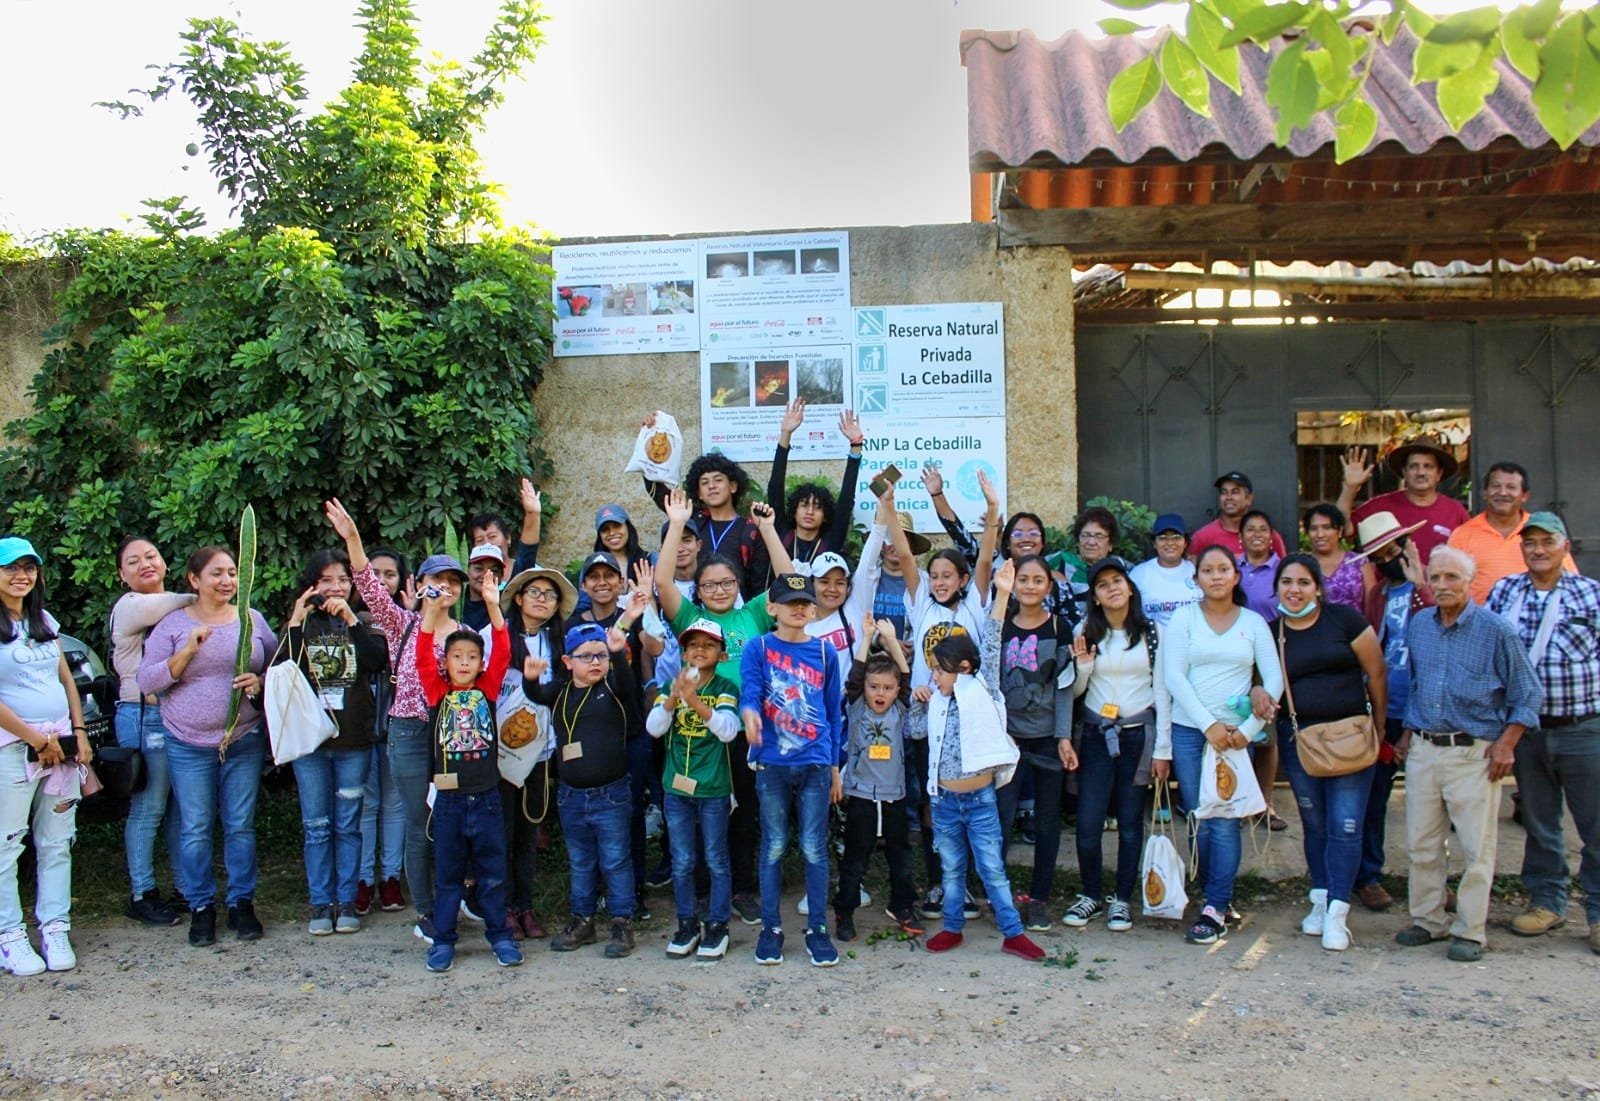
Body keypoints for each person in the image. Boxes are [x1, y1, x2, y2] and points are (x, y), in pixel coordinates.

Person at [327, 497, 472, 944]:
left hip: (451, 736)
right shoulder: (401, 623)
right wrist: (352, 539)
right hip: (408, 732)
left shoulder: (465, 637)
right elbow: (368, 585)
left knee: (453, 819)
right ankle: (426, 911)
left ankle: (455, 898)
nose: (444, 587)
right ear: (419, 583)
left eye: (452, 581)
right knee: (417, 822)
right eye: (436, 580)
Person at [1395, 546, 1542, 962]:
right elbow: (1419, 684)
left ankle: (1470, 930)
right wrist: (1407, 734)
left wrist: (1507, 744)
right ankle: (1427, 920)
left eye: (1452, 578)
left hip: (1473, 753)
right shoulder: (1420, 625)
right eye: (1436, 578)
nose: (1442, 586)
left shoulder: (1497, 631)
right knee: (1421, 843)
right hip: (1425, 747)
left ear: (1470, 582)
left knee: (1477, 849)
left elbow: (1527, 694)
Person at [656, 489, 794, 925]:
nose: (718, 590)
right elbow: (661, 584)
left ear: (738, 587)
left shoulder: (752, 614)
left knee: (747, 810)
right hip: (697, 729)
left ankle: (743, 888)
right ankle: (700, 890)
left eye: (726, 583)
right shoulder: (691, 620)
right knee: (696, 811)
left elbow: (790, 583)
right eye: (710, 584)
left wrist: (769, 530)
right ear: (698, 589)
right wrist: (677, 523)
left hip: (748, 727)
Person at [138, 545, 276, 948]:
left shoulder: (251, 619)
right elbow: (147, 682)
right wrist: (188, 651)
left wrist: (260, 682)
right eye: (216, 573)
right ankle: (201, 906)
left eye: (232, 573)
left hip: (242, 739)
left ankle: (241, 903)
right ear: (194, 580)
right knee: (196, 827)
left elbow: (276, 666)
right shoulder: (173, 625)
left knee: (239, 825)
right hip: (187, 742)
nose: (227, 581)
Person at [1486, 512, 1600, 955]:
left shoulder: (1590, 596)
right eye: (1529, 541)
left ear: (1565, 546)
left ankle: (1596, 911)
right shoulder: (1506, 592)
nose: (1537, 549)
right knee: (1539, 822)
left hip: (1582, 728)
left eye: (1547, 541)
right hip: (1525, 732)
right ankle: (1548, 900)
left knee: (1595, 823)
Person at [886, 475, 1000, 921]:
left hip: (968, 722)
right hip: (928, 719)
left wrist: (992, 512)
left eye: (947, 575)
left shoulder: (975, 605)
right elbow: (902, 548)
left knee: (971, 803)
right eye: (933, 575)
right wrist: (889, 506)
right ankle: (937, 884)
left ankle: (968, 887)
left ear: (963, 579)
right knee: (934, 804)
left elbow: (987, 555)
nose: (937, 581)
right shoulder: (921, 604)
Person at [919, 561, 1044, 961]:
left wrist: (1003, 592)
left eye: (940, 670)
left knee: (992, 869)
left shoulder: (982, 686)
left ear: (965, 668)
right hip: (944, 803)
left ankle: (1013, 932)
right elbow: (914, 734)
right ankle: (952, 927)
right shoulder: (934, 700)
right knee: (952, 870)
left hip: (981, 801)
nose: (934, 677)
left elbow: (990, 640)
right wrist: (918, 701)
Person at [1160, 544, 1283, 945]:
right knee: (1201, 815)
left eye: (1223, 569)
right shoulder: (1184, 619)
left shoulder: (1252, 623)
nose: (1215, 576)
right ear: (1196, 580)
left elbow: (1274, 679)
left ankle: (1215, 904)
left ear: (1236, 576)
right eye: (1207, 570)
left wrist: (1246, 730)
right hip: (1192, 731)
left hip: (1234, 737)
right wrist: (1207, 724)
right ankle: (1216, 897)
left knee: (1225, 818)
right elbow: (1174, 677)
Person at [1272, 554, 1387, 952]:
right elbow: (1262, 683)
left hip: (1352, 738)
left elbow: (1376, 673)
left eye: (1304, 582)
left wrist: (1381, 727)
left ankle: (1339, 911)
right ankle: (1319, 899)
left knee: (1346, 825)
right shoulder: (1274, 633)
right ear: (1277, 589)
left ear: (1318, 587)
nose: (1295, 589)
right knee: (1315, 823)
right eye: (1286, 582)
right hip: (1302, 742)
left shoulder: (1346, 620)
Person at [741, 572, 847, 967]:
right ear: (772, 609)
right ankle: (771, 928)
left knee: (814, 847)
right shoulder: (759, 648)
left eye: (804, 603)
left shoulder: (824, 653)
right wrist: (749, 713)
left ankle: (817, 929)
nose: (798, 608)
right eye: (790, 603)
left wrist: (835, 766)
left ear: (814, 609)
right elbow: (750, 691)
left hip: (817, 764)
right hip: (772, 764)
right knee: (773, 846)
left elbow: (835, 714)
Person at [414, 577, 520, 972]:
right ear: (446, 662)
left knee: (493, 872)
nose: (463, 663)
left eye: (471, 657)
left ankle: (500, 935)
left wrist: (493, 605)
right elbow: (423, 652)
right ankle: (443, 940)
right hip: (449, 802)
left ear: (480, 663)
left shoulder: (489, 689)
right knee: (448, 875)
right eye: (456, 656)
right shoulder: (436, 691)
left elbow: (504, 647)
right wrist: (432, 611)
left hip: (487, 796)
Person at [280, 550, 386, 936]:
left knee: (348, 824)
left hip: (354, 739)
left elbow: (377, 661)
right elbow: (282, 669)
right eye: (327, 580)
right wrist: (296, 619)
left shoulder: (363, 623)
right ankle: (320, 902)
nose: (336, 587)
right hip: (310, 742)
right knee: (317, 825)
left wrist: (352, 619)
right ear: (312, 584)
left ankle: (347, 902)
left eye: (343, 579)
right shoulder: (300, 625)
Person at [533, 612, 647, 959]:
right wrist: (528, 678)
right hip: (570, 796)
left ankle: (622, 922)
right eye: (586, 656)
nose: (595, 662)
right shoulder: (560, 692)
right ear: (567, 661)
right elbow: (535, 693)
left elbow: (628, 684)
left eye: (600, 655)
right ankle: (582, 920)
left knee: (615, 861)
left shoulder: (613, 689)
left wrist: (617, 653)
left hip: (610, 795)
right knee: (581, 861)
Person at [0, 537, 90, 976]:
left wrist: (78, 731)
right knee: (7, 843)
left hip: (60, 749)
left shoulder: (44, 620)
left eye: (29, 567)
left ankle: (55, 926)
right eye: (10, 568)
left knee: (57, 841)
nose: (21, 575)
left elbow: (66, 682)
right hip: (13, 749)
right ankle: (10, 936)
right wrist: (35, 738)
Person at [1065, 556, 1169, 934]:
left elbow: (1162, 691)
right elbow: (1074, 692)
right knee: (1089, 822)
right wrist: (1085, 667)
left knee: (1129, 822)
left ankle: (1122, 899)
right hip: (1094, 735)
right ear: (1094, 596)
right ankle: (1091, 893)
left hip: (1137, 734)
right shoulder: (1085, 630)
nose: (1112, 588)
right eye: (1103, 584)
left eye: (1117, 580)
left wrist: (1163, 749)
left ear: (1129, 586)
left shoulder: (1152, 632)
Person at [108, 536, 193, 926]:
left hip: (179, 718)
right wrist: (206, 592)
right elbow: (176, 602)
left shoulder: (175, 610)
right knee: (149, 807)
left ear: (164, 563)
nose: (145, 564)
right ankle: (142, 893)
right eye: (134, 561)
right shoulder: (130, 608)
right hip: (143, 718)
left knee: (179, 810)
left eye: (152, 556)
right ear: (122, 575)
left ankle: (185, 890)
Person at [646, 619, 740, 959]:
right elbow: (654, 728)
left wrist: (696, 702)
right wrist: (673, 698)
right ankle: (686, 923)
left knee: (716, 859)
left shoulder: (726, 687)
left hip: (713, 787)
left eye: (709, 645)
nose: (700, 650)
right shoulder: (670, 685)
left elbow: (728, 729)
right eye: (693, 645)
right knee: (682, 861)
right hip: (676, 789)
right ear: (683, 651)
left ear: (721, 654)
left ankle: (718, 925)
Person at [1353, 512, 1432, 913]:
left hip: (1426, 709)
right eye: (1379, 553)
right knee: (1375, 799)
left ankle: (1431, 883)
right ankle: (1368, 876)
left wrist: (1422, 587)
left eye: (1393, 548)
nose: (1389, 557)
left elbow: (1436, 638)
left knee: (1430, 803)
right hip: (1386, 706)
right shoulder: (1376, 596)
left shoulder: (1429, 591)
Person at [992, 554, 1075, 932]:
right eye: (1022, 579)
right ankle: (1001, 896)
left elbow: (1064, 686)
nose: (1028, 586)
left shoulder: (1060, 627)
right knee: (1000, 820)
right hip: (1007, 740)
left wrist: (1062, 736)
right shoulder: (1002, 626)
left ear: (1049, 587)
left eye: (1037, 580)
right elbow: (990, 679)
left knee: (1046, 821)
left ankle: (1039, 898)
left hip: (1045, 740)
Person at [497, 565, 577, 941]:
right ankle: (502, 907)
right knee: (502, 832)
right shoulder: (496, 638)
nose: (542, 600)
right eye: (535, 593)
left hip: (542, 753)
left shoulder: (561, 642)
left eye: (550, 594)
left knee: (530, 830)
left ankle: (525, 904)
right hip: (502, 751)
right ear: (518, 598)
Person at [834, 615, 921, 942]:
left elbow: (908, 676)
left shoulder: (900, 709)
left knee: (901, 858)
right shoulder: (857, 707)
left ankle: (902, 905)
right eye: (875, 687)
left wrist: (892, 639)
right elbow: (855, 679)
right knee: (855, 859)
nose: (880, 693)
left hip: (895, 797)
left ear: (896, 690)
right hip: (861, 798)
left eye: (887, 687)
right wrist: (867, 636)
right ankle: (844, 910)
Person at [922, 465, 1078, 625]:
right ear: (1007, 544)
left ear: (1043, 542)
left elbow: (1072, 626)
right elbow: (959, 534)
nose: (1026, 538)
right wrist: (937, 494)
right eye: (1017, 534)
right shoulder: (992, 567)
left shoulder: (1056, 581)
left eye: (1033, 533)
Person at [752, 400, 863, 585]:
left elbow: (845, 501)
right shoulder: (781, 532)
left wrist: (856, 446)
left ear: (826, 516)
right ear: (794, 511)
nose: (810, 512)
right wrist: (785, 434)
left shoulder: (830, 542)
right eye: (804, 505)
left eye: (817, 508)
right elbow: (775, 487)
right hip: (778, 610)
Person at [355, 546, 410, 916]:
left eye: (390, 574)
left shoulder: (409, 620)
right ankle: (362, 879)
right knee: (365, 804)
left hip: (396, 726)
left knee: (394, 803)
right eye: (375, 573)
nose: (382, 581)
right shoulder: (345, 616)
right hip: (357, 729)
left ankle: (391, 877)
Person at [1448, 462, 1578, 604]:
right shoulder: (1463, 534)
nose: (1503, 492)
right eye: (1496, 486)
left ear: (1525, 495)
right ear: (1485, 493)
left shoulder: (1541, 530)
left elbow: (1570, 579)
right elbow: (1448, 584)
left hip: (1534, 619)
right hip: (1480, 622)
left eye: (1511, 487)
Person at [1338, 436, 1469, 568]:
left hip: (1438, 587)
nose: (1421, 472)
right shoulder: (1380, 506)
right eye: (1414, 466)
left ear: (1439, 473)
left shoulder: (1456, 511)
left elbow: (1470, 555)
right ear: (1404, 472)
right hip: (1385, 587)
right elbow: (1342, 529)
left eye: (1428, 466)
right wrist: (1349, 488)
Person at [462, 482, 543, 629]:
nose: (486, 575)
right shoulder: (457, 600)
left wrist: (533, 515)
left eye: (492, 536)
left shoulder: (507, 599)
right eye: (478, 568)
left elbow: (527, 555)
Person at [1189, 472, 1288, 561]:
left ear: (1249, 498)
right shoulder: (1202, 537)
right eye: (1224, 492)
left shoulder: (1267, 537)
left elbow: (1283, 573)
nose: (1228, 497)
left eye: (1235, 492)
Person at [1130, 513, 1200, 627]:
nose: (1170, 543)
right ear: (1154, 543)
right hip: (1153, 641)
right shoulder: (1139, 574)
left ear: (1186, 542)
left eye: (1176, 537)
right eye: (1163, 538)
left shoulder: (1197, 570)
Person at [1303, 504, 1364, 610]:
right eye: (1313, 528)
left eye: (1327, 527)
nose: (1320, 534)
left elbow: (1374, 604)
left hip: (1355, 626)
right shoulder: (1301, 563)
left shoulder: (1359, 561)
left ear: (1340, 531)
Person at [1234, 510, 1281, 622]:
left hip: (1273, 636)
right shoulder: (1231, 568)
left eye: (1263, 530)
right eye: (1250, 530)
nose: (1257, 535)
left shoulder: (1283, 569)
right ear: (1241, 536)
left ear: (1271, 536)